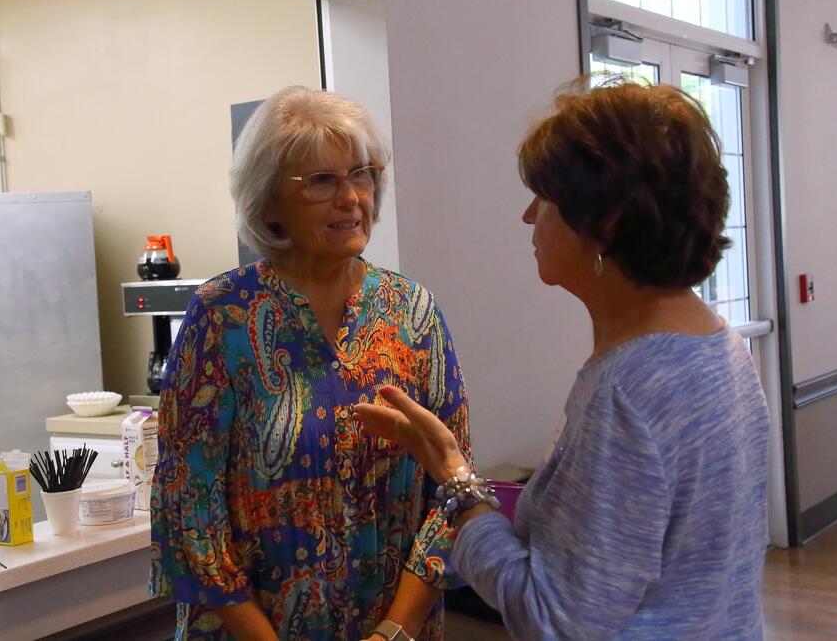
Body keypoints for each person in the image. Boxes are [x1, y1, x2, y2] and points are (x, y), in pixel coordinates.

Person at [355, 76, 770, 640]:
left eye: (545, 198)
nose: (529, 217)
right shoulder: (719, 345)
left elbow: (553, 619)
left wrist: (456, 480)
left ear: (605, 221)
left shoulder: (627, 392)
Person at [149, 85, 473, 641]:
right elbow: (188, 509)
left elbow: (454, 485)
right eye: (322, 180)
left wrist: (394, 631)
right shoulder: (223, 315)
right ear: (268, 201)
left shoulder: (413, 312)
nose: (351, 197)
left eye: (362, 175)